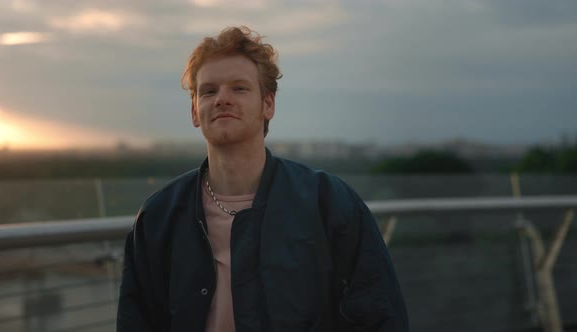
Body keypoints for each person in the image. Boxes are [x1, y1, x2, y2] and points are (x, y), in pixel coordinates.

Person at [117, 26, 408, 332]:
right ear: (194, 111)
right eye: (209, 90)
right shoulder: (159, 216)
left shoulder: (329, 203)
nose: (222, 99)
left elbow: (381, 315)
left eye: (239, 88)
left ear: (268, 105)